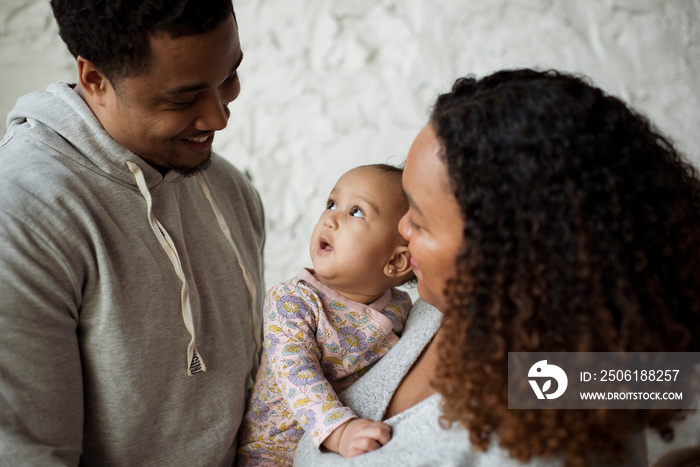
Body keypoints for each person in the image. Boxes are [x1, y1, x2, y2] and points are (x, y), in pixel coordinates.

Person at [293, 69, 700, 466]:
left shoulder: (551, 407)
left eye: (419, 219)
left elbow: (654, 383)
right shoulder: (440, 307)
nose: (401, 229)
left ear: (503, 252)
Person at [0, 1, 265, 465]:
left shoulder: (229, 187)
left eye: (229, 78)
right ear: (95, 80)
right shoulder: (22, 214)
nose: (219, 117)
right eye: (184, 98)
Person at [237, 164, 414, 466]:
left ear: (396, 262)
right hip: (273, 453)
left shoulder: (399, 306)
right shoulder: (293, 301)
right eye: (331, 204)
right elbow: (296, 374)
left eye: (356, 212)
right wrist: (340, 431)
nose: (329, 219)